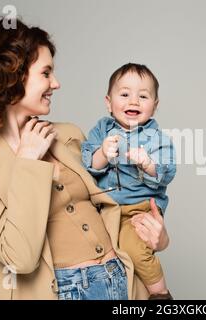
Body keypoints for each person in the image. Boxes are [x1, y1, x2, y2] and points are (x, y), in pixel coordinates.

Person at [0, 18, 169, 300]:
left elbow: (117, 205)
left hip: (122, 281)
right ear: (12, 76)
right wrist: (28, 160)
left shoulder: (68, 134)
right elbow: (20, 258)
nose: (56, 83)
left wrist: (158, 238)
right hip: (60, 292)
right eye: (46, 73)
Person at [81, 63, 176, 299]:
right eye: (124, 94)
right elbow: (87, 163)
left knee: (135, 249)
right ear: (108, 102)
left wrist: (147, 163)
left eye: (143, 96)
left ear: (154, 106)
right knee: (99, 254)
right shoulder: (101, 130)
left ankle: (161, 294)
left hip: (139, 208)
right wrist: (102, 153)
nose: (133, 101)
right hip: (105, 208)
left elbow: (168, 170)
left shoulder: (155, 137)